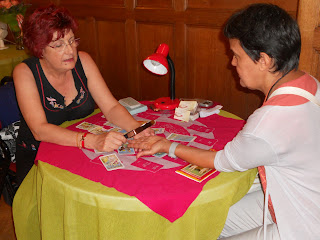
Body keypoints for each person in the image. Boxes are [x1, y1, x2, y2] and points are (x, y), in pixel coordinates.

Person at [128, 3, 320, 239]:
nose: (233, 63)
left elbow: (220, 160)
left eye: (237, 56)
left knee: (203, 222)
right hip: (296, 199)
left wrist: (167, 145)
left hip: (306, 225)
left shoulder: (268, 123)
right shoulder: (308, 82)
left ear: (265, 60)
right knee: (207, 217)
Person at [13, 4, 153, 186]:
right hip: (39, 159)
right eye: (58, 45)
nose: (70, 50)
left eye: (72, 41)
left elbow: (110, 107)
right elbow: (39, 130)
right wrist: (93, 141)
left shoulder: (84, 61)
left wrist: (135, 129)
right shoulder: (25, 72)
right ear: (40, 50)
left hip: (79, 150)